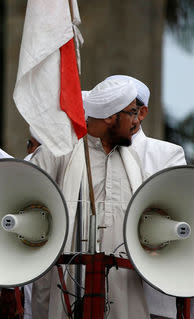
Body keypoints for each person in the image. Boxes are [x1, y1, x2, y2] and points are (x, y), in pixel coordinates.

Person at [30, 78, 149, 319]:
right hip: (69, 276)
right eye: (132, 113)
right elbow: (25, 198)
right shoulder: (59, 151)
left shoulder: (133, 161)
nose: (136, 121)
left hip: (123, 280)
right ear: (109, 117)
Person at [106, 75, 187, 319]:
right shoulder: (89, 154)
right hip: (97, 288)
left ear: (141, 113)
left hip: (151, 295)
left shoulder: (167, 154)